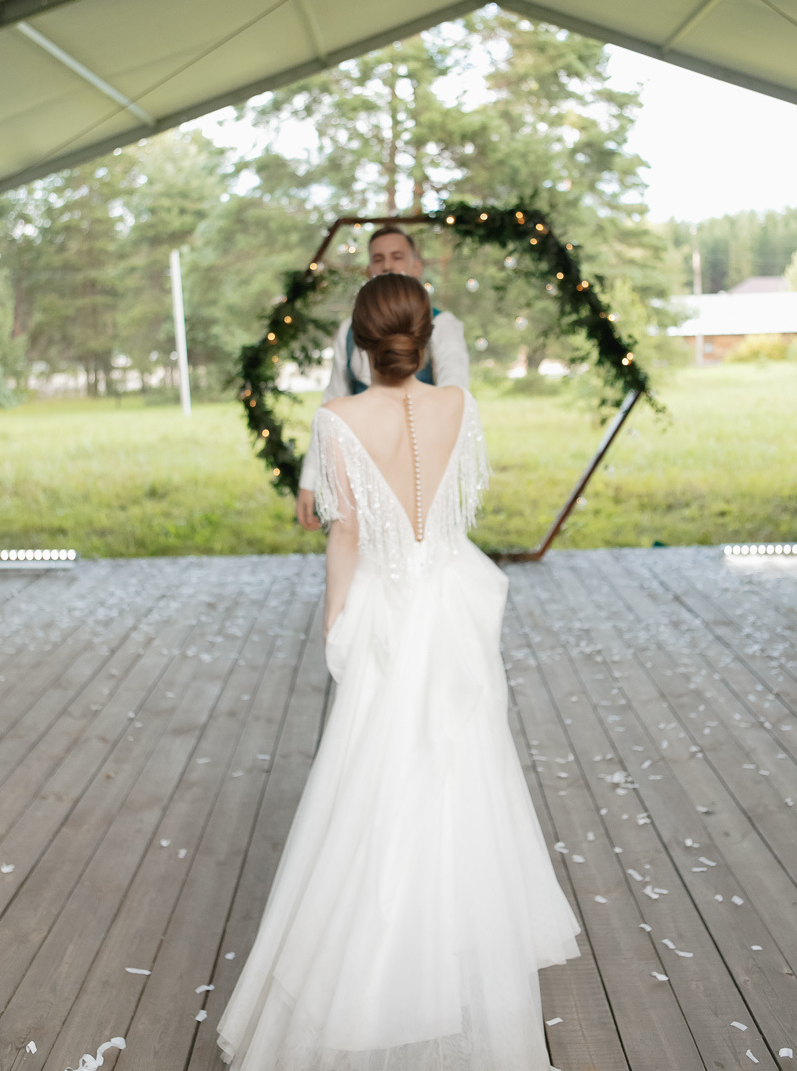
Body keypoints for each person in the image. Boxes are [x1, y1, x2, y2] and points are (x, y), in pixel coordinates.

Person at [217, 274, 580, 1071]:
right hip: (450, 604)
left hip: (388, 606)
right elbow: (454, 513)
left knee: (377, 779)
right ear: (423, 333)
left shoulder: (338, 418)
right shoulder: (458, 405)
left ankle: (380, 965)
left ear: (359, 340)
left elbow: (343, 539)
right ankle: (457, 944)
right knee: (459, 768)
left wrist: (334, 622)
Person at [296, 224, 469, 531]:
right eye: (378, 259)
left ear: (416, 266)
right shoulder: (348, 331)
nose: (387, 265)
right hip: (361, 470)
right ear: (368, 270)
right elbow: (332, 401)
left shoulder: (442, 325)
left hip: (420, 467)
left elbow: (456, 394)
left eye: (397, 257)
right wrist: (310, 479)